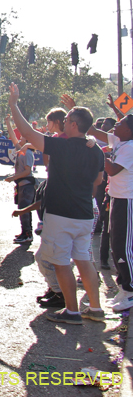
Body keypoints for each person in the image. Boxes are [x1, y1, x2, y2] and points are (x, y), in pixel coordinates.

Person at [9, 83, 104, 324]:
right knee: (83, 260)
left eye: (67, 119)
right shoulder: (96, 150)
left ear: (73, 125)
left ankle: (72, 311)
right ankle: (95, 307)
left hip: (61, 214)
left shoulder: (61, 146)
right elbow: (99, 180)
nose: (64, 122)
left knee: (61, 263)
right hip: (85, 213)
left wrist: (13, 104)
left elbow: (28, 132)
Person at [79, 115, 133, 311]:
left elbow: (112, 170)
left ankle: (130, 290)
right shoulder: (119, 140)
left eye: (121, 123)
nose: (116, 124)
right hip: (116, 198)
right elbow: (93, 131)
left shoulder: (130, 147)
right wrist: (77, 112)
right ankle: (124, 289)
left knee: (124, 246)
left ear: (129, 130)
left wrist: (98, 151)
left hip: (128, 200)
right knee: (115, 246)